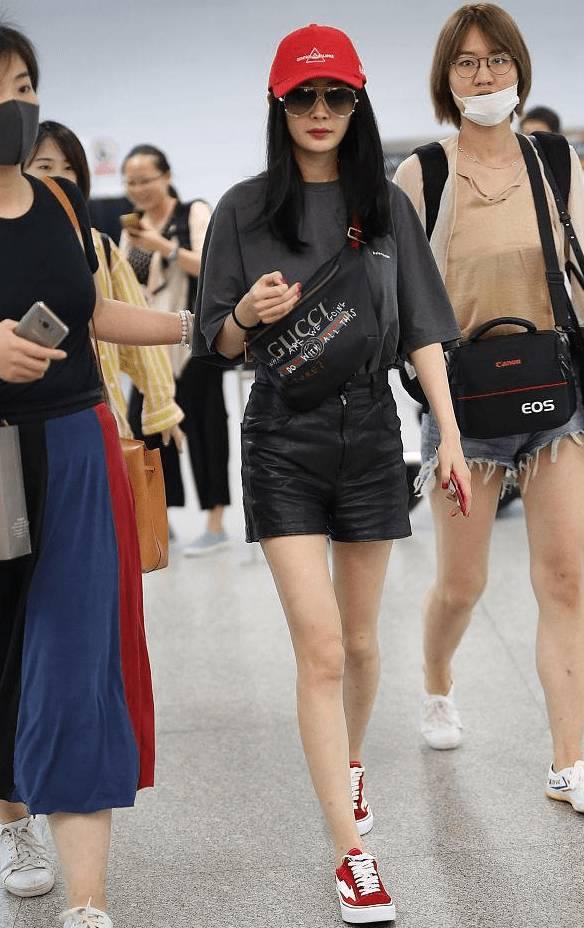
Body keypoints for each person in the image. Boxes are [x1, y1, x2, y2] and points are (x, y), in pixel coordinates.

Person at [196, 22, 471, 924]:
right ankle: (352, 855)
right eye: (303, 96)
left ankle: (347, 765)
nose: (320, 110)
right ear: (279, 105)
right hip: (282, 436)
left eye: (337, 95)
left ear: (358, 104)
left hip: (371, 433)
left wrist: (451, 437)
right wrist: (245, 312)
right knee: (319, 648)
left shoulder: (384, 207)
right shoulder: (243, 209)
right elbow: (218, 344)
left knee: (358, 644)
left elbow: (422, 328)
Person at [0, 24, 193, 928]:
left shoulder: (57, 201)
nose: (14, 102)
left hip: (76, 447)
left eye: (23, 84)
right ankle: (14, 821)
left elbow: (92, 311)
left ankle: (88, 902)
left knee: (77, 658)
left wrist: (202, 327)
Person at [394, 3, 584, 811]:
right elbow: (406, 303)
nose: (484, 75)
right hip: (464, 405)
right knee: (462, 584)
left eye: (497, 59)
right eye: (467, 62)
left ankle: (570, 759)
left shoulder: (557, 162)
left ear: (519, 69)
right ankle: (438, 678)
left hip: (555, 395)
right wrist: (435, 419)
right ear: (447, 78)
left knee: (566, 577)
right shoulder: (421, 175)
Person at [26, 120, 185, 446]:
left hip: (100, 415)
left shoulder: (100, 248)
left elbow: (130, 326)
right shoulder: (12, 244)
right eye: (44, 166)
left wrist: (162, 405)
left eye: (69, 168)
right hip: (28, 418)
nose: (58, 177)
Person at [120, 145, 230, 555]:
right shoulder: (132, 228)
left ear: (166, 177)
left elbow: (211, 266)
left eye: (146, 180)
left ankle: (215, 524)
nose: (138, 189)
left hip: (194, 341)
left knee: (206, 430)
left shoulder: (192, 212)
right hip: (150, 346)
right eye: (131, 182)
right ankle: (159, 523)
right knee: (146, 430)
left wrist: (162, 245)